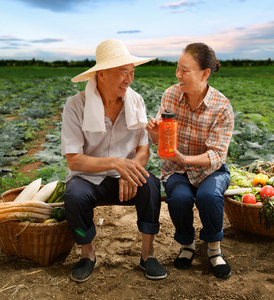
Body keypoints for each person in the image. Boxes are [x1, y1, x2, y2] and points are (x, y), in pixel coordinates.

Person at [61, 39, 167, 282]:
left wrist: (131, 170)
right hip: (89, 180)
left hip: (125, 179)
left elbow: (143, 149)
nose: (129, 79)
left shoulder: (135, 101)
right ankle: (87, 254)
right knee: (74, 196)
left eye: (131, 72)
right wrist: (115, 163)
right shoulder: (76, 106)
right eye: (122, 72)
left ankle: (147, 255)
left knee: (151, 186)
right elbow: (74, 161)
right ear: (102, 74)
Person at [145, 42, 234, 279]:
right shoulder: (171, 95)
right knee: (180, 197)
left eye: (185, 70)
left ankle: (214, 249)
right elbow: (160, 141)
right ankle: (187, 245)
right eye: (177, 68)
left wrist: (185, 158)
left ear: (205, 73)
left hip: (211, 170)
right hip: (176, 169)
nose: (178, 75)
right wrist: (154, 132)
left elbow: (216, 154)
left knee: (209, 196)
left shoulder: (222, 107)